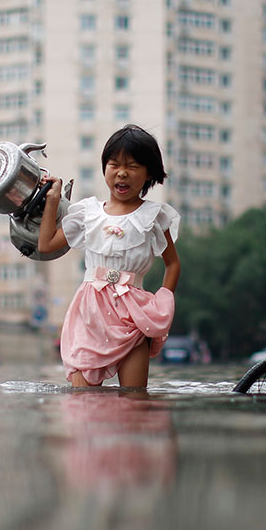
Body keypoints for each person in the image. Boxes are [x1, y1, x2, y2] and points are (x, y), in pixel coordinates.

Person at [38, 124, 181, 388]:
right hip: (89, 314)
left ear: (149, 172)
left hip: (134, 317)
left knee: (134, 397)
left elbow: (172, 264)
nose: (122, 173)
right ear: (105, 167)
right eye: (114, 164)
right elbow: (46, 245)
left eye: (133, 166)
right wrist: (53, 200)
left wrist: (163, 303)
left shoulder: (154, 216)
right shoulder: (87, 212)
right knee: (83, 401)